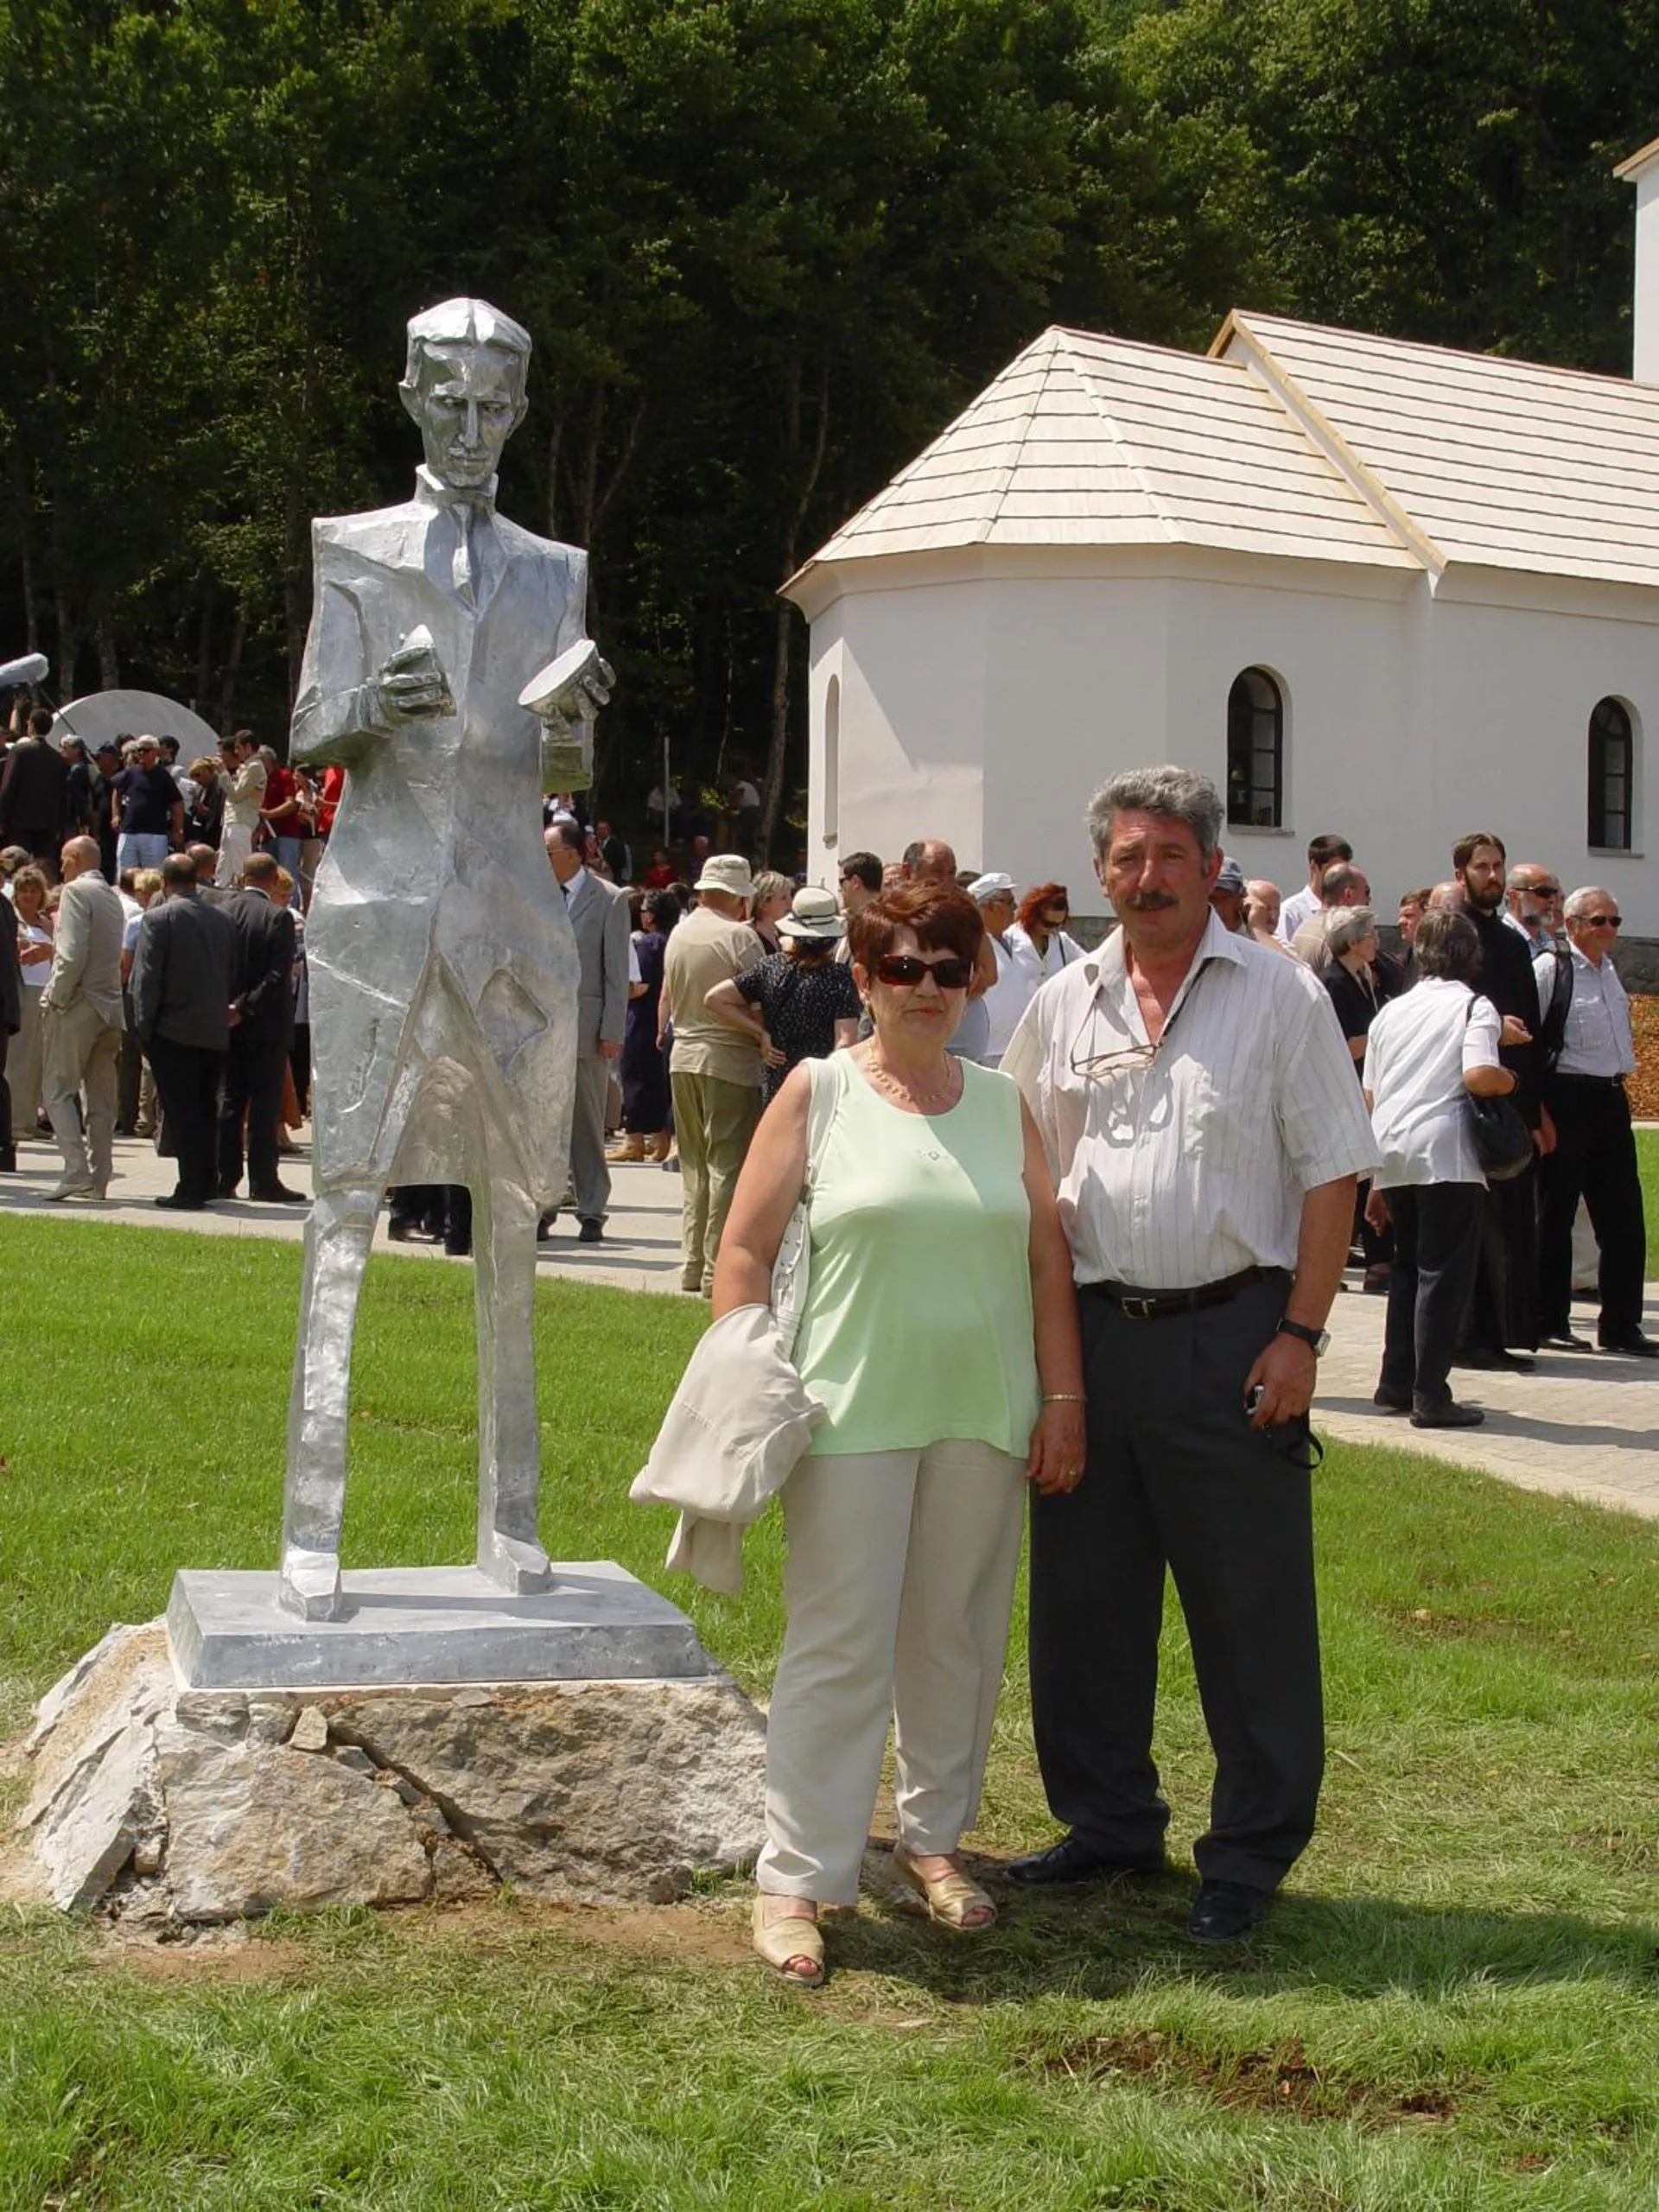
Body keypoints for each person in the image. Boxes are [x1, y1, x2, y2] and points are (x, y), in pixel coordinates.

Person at [277, 295, 613, 1623]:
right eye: (450, 402)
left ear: (520, 412)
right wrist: (375, 705)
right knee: (343, 1204)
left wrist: (577, 730)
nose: (473, 428)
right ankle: (315, 1528)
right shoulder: (350, 547)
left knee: (516, 1216)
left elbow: (555, 770)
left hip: (515, 919)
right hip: (377, 902)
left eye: (496, 406)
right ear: (413, 398)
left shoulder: (555, 570)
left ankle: (513, 1518)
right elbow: (309, 727)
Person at [1003, 766, 1376, 1944]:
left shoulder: (1281, 997)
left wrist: (1302, 1337)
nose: (1148, 877)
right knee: (1084, 1605)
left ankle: (1249, 1856)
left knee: (1249, 1610)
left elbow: (1332, 1172)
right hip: (1095, 1342)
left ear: (1212, 866)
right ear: (1102, 874)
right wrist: (1049, 1370)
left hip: (1236, 1337)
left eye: (1170, 854)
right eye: (1127, 857)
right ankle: (1109, 1823)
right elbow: (1023, 1182)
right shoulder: (1064, 1004)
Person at [716, 880, 1084, 1985]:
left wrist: (1062, 1402)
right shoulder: (819, 1091)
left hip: (983, 1411)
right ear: (863, 979)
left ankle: (932, 1840)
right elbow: (743, 1247)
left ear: (974, 980)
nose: (927, 987)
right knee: (838, 1645)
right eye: (902, 968)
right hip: (845, 1412)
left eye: (947, 967)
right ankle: (799, 1873)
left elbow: (1046, 1261)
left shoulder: (998, 1099)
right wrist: (747, 1371)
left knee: (955, 1639)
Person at [1363, 908, 1522, 1427]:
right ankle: (1431, 1393)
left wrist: (1374, 1178)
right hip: (1447, 1151)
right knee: (1443, 1274)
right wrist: (1510, 1080)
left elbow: (1369, 1095)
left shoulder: (1390, 1012)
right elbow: (1478, 1074)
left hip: (1393, 1150)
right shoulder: (1475, 1005)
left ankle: (1395, 1381)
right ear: (1471, 956)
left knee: (1408, 1269)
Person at [1535, 888, 1656, 1357]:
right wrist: (1539, 1112)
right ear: (1572, 923)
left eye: (1615, 920)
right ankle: (1548, 1319)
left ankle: (1622, 1323)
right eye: (1599, 920)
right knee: (1556, 1213)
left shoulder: (1609, 972)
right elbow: (1531, 1045)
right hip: (1567, 1095)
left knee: (1624, 1215)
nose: (1609, 929)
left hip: (1610, 1096)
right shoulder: (1551, 969)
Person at [1451, 830, 1542, 1370]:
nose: (1493, 875)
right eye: (1482, 866)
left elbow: (1532, 1029)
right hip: (1464, 1096)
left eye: (1498, 866)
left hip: (1508, 1098)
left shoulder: (1509, 943)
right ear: (1461, 873)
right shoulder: (1451, 936)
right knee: (1474, 1225)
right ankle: (1468, 1337)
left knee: (1509, 1223)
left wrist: (1533, 1113)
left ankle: (1500, 1332)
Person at [662, 852, 765, 1294]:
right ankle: (713, 1270)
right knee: (726, 1163)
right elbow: (763, 999)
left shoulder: (679, 933)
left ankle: (690, 1262)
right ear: (738, 897)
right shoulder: (741, 937)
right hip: (730, 1060)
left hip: (683, 1056)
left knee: (694, 1165)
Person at [130, 853, 237, 1209]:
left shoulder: (159, 918)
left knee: (182, 1110)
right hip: (212, 1028)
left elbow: (146, 979)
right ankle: (206, 1180)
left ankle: (190, 1186)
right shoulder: (222, 920)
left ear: (164, 881)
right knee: (206, 1108)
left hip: (173, 1028)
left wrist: (143, 1028)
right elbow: (230, 973)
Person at [543, 818, 632, 1242]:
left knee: (586, 1121)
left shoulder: (609, 900)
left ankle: (592, 1206)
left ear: (575, 854)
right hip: (540, 1031)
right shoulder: (537, 896)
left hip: (586, 1030)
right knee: (544, 1122)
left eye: (549, 853)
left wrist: (611, 1030)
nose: (543, 860)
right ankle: (544, 1203)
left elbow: (616, 972)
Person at [705, 886, 860, 1104]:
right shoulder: (839, 977)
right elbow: (846, 1041)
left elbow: (714, 999)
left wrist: (760, 1034)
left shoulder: (770, 966)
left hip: (779, 1082)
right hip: (819, 1086)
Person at [39, 835, 126, 1201]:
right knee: (102, 1101)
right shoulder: (113, 898)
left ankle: (76, 1168)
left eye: (63, 859)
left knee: (56, 1090)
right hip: (110, 1007)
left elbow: (71, 955)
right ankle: (100, 1177)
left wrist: (54, 996)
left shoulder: (75, 892)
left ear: (75, 859)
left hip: (80, 1003)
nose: (61, 867)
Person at [217, 851, 303, 1203]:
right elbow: (276, 975)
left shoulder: (222, 914)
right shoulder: (278, 918)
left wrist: (227, 1006)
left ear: (242, 878)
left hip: (226, 1021)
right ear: (272, 880)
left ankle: (225, 1175)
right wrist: (246, 1006)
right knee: (265, 1104)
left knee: (229, 1100)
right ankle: (263, 1179)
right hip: (265, 1023)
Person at [610, 888, 677, 1162]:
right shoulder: (672, 941)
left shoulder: (649, 945)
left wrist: (613, 988)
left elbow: (639, 986)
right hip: (662, 1020)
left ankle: (634, 1141)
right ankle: (660, 1140)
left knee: (635, 1078)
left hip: (641, 1019)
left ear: (651, 916)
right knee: (656, 1082)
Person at [966, 872, 1037, 1065]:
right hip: (988, 1052)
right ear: (990, 906)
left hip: (1016, 1049)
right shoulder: (974, 945)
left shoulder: (1015, 940)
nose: (1014, 909)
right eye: (1009, 903)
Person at [6, 865, 53, 1143]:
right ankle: (13, 1121)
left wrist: (49, 948)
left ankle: (29, 1119)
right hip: (22, 990)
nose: (30, 895)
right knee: (19, 1057)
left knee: (38, 1059)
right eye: (24, 889)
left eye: (35, 890)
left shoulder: (46, 922)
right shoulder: (12, 920)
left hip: (45, 992)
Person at [0, 708, 69, 868]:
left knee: (16, 863)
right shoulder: (58, 758)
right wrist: (60, 824)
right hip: (48, 822)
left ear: (31, 725)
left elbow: (9, 785)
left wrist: (2, 817)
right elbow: (63, 795)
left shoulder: (20, 751)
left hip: (20, 820)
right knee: (44, 866)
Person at [111, 735, 182, 874]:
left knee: (153, 875)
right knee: (125, 873)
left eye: (146, 750)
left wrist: (177, 829)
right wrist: (116, 815)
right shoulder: (131, 772)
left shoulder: (163, 775)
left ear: (155, 752)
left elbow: (177, 803)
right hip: (129, 832)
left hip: (155, 834)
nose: (141, 754)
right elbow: (117, 791)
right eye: (139, 750)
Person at [1274, 832, 1352, 945]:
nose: (1340, 876)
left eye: (1345, 870)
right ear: (1314, 866)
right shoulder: (1291, 912)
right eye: (1333, 869)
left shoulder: (1347, 909)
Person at [215, 731, 267, 887]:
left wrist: (223, 772)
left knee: (241, 868)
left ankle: (246, 899)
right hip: (233, 821)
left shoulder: (255, 768)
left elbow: (236, 795)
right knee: (224, 868)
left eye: (238, 748)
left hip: (241, 822)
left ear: (248, 747)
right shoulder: (247, 767)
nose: (235, 752)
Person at [1006, 882, 1085, 980]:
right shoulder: (1009, 939)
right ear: (1033, 916)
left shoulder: (1062, 942)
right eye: (1048, 924)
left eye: (1058, 925)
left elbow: (1087, 963)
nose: (1053, 930)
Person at [747, 869, 794, 955]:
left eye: (790, 896)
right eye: (783, 898)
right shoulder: (750, 936)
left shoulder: (779, 932)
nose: (790, 902)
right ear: (763, 904)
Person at [1208, 853, 1248, 933]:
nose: (1218, 906)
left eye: (1225, 898)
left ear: (1241, 897)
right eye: (1211, 898)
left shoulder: (1257, 938)